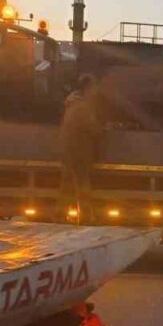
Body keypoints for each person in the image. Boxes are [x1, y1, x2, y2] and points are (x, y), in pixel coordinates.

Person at [60, 74, 104, 221]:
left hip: (69, 150)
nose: (96, 91)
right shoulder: (82, 106)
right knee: (82, 185)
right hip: (80, 151)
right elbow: (93, 128)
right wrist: (101, 128)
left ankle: (59, 216)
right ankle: (85, 217)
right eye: (94, 87)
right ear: (87, 88)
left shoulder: (72, 103)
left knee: (67, 186)